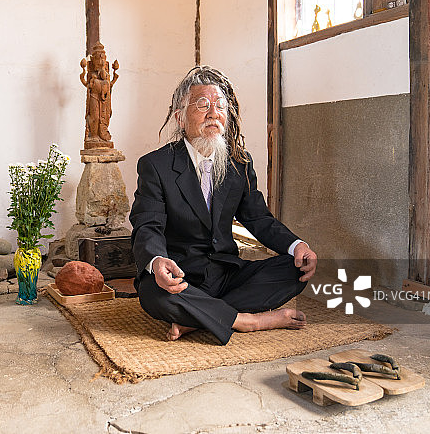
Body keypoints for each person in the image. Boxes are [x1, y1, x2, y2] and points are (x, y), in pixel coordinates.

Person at [129, 66, 317, 345]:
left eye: (220, 106)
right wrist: (157, 261)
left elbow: (259, 219)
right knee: (153, 294)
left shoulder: (238, 162)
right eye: (202, 105)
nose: (213, 113)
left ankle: (198, 318)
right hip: (181, 276)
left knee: (294, 270)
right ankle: (248, 321)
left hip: (225, 273)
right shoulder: (156, 165)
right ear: (180, 118)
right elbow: (148, 225)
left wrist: (296, 245)